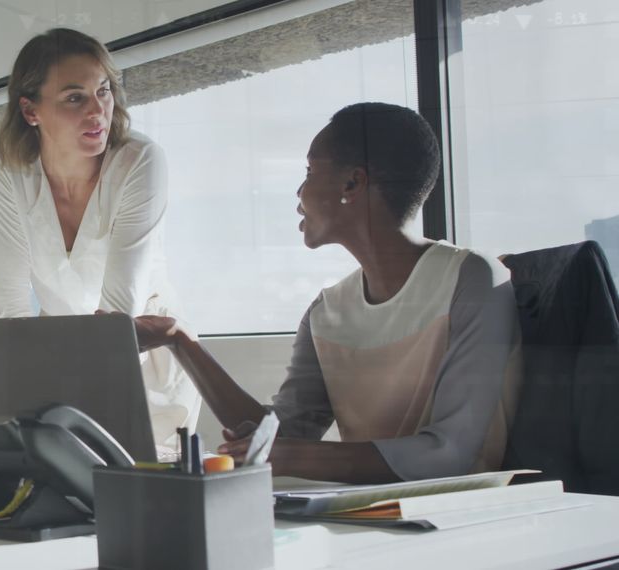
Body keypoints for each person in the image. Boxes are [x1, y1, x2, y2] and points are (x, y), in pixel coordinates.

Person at [135, 102, 522, 483]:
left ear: (352, 183)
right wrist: (179, 340)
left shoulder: (471, 280)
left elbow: (451, 453)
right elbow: (282, 437)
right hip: (371, 518)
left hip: (469, 522)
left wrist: (289, 455)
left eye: (309, 170)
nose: (299, 191)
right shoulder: (326, 311)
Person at [0, 28, 200, 450]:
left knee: (140, 496)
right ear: (30, 111)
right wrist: (1, 417)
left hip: (144, 359)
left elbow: (120, 316)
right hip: (57, 355)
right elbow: (8, 307)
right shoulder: (3, 165)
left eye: (103, 91)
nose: (98, 111)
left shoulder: (139, 160)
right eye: (74, 97)